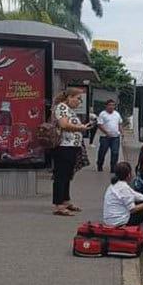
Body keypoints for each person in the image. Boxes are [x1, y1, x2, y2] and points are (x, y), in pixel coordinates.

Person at [52, 87, 92, 216]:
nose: (79, 102)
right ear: (69, 97)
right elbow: (63, 125)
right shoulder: (62, 107)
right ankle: (59, 205)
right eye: (78, 98)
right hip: (64, 146)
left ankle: (66, 200)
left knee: (68, 175)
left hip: (71, 147)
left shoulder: (69, 109)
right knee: (61, 176)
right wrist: (80, 127)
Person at [103, 162, 143, 227]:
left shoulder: (113, 185)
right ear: (129, 175)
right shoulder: (123, 188)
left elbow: (135, 195)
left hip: (110, 220)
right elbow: (132, 209)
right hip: (119, 222)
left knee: (141, 204)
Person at [97, 99, 123, 173]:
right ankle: (99, 164)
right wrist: (106, 132)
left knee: (115, 153)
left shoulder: (117, 114)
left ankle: (113, 168)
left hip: (115, 137)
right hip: (105, 137)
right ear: (106, 106)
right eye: (110, 105)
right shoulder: (103, 114)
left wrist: (122, 132)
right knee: (102, 152)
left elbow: (120, 123)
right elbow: (99, 124)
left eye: (113, 105)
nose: (111, 107)